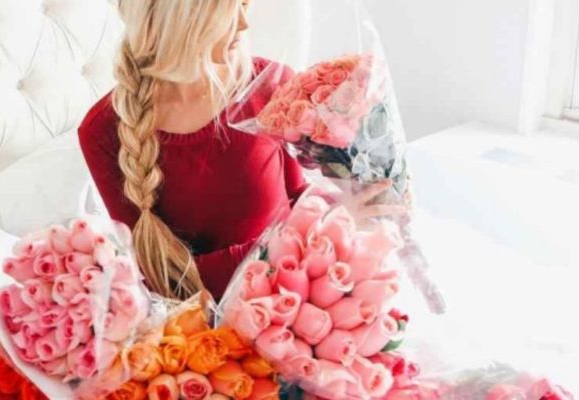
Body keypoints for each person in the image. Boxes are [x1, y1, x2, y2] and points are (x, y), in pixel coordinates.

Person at [78, 0, 404, 300]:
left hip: (298, 294)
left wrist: (352, 206)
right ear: (180, 18)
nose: (245, 24)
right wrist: (317, 230)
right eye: (229, 9)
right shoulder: (102, 132)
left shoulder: (271, 87)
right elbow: (158, 280)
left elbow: (296, 197)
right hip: (208, 326)